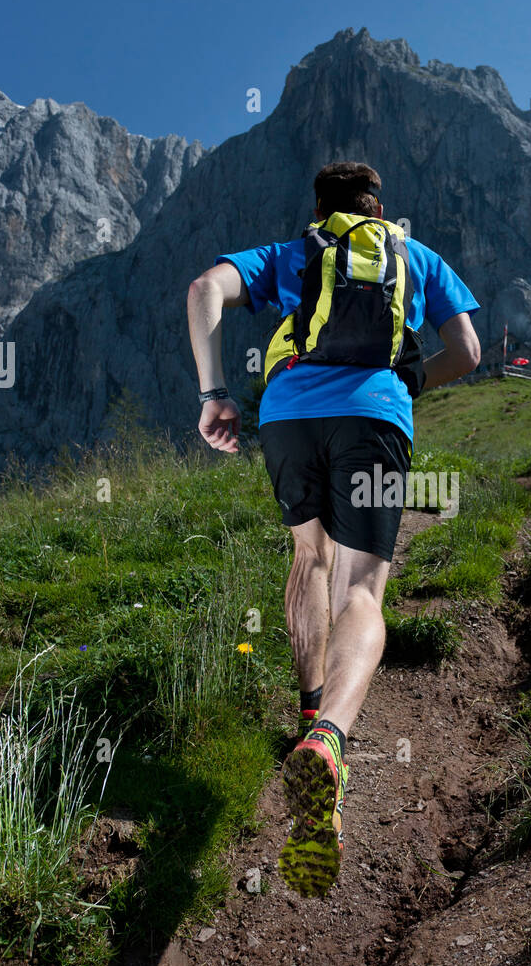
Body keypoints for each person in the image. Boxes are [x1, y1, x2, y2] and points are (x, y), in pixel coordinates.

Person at [186, 162, 481, 897]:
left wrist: (215, 394)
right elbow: (469, 352)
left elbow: (202, 291)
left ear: (320, 211)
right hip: (372, 417)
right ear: (380, 209)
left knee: (309, 559)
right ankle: (330, 742)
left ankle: (309, 708)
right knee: (361, 589)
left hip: (286, 416)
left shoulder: (295, 254)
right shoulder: (417, 258)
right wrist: (408, 383)